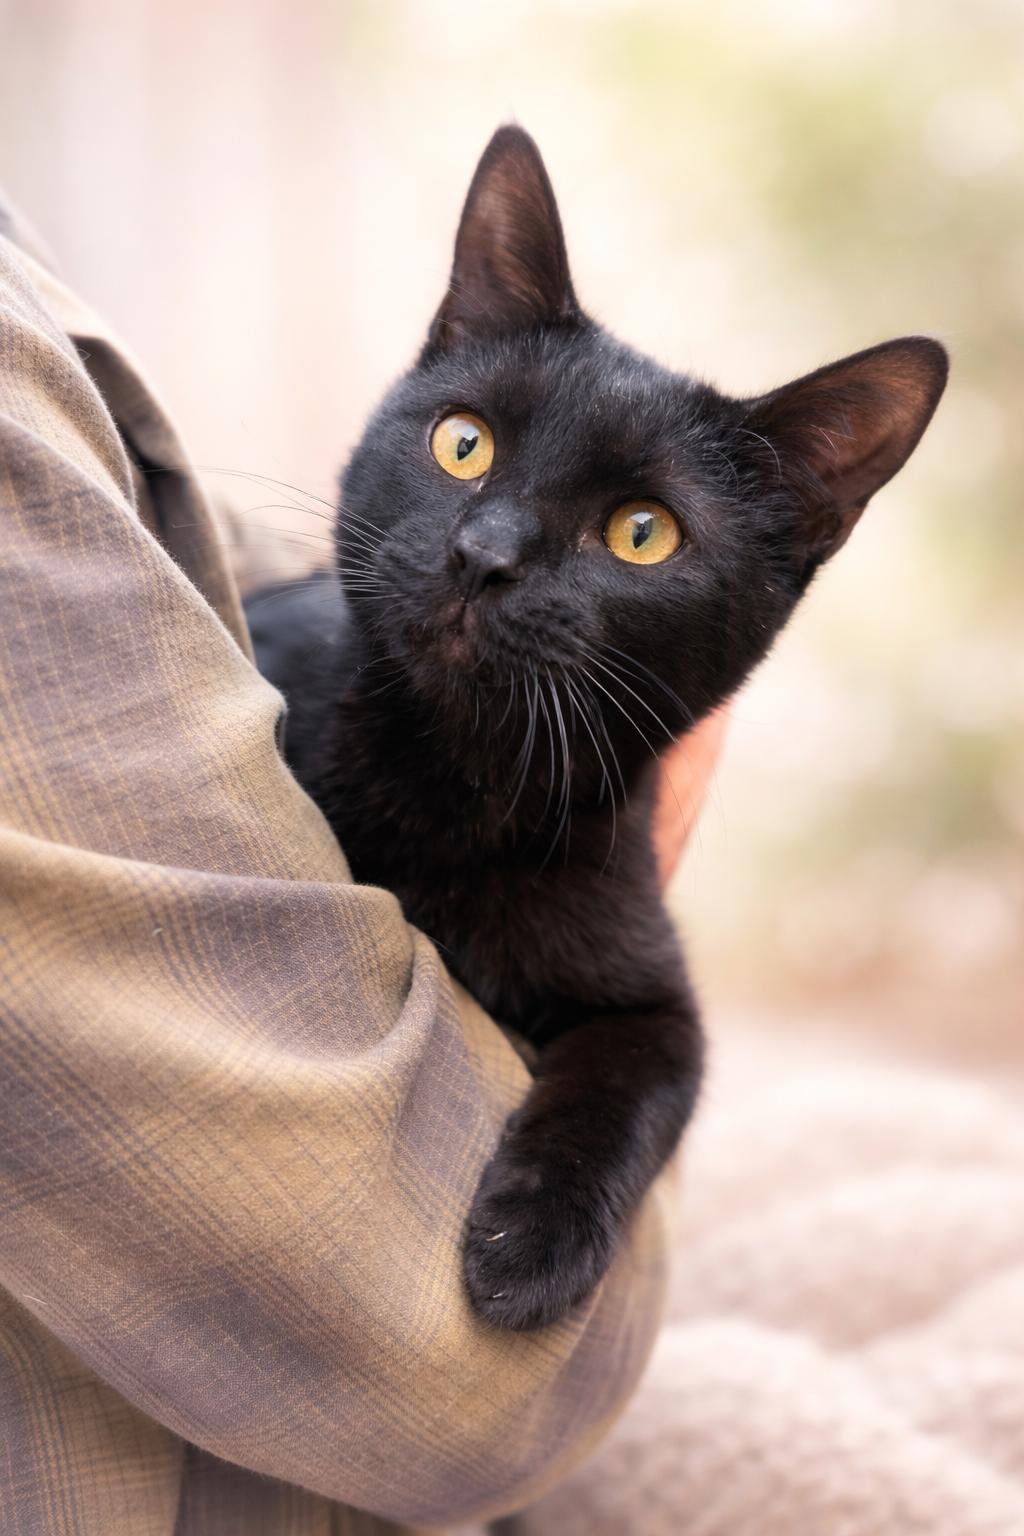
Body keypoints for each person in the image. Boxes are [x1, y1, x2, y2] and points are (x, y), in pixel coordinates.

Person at [0, 199, 723, 1536]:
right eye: (466, 444)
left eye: (638, 535)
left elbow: (644, 1026)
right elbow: (448, 1379)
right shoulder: (254, 695)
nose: (491, 545)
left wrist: (570, 1177)